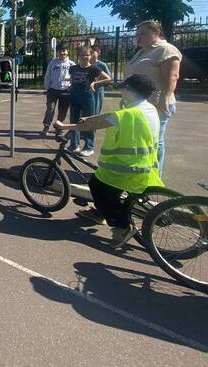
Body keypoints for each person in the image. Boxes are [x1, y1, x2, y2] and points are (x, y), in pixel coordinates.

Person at [55, 74, 163, 247]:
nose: (121, 91)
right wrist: (89, 119)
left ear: (130, 90)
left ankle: (122, 227)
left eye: (123, 88)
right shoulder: (148, 109)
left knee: (97, 185)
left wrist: (65, 126)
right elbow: (106, 117)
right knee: (110, 193)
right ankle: (103, 213)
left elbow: (94, 125)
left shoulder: (128, 114)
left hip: (126, 166)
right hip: (145, 163)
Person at [124, 20, 182, 175]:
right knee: (140, 140)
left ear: (156, 32)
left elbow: (173, 76)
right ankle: (141, 172)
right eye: (137, 34)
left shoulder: (165, 49)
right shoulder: (142, 52)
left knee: (154, 141)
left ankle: (154, 176)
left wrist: (164, 99)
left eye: (143, 33)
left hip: (156, 103)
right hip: (138, 103)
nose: (138, 37)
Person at [68, 46, 111, 156]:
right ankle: (74, 145)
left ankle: (89, 147)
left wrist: (94, 83)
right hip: (74, 97)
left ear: (91, 56)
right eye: (82, 55)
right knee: (74, 120)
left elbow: (108, 78)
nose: (84, 57)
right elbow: (73, 80)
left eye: (87, 55)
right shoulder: (73, 68)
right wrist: (71, 86)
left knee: (88, 121)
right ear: (78, 56)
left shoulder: (94, 68)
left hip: (87, 97)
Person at [42, 44, 75, 135]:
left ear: (67, 52)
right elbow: (47, 75)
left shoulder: (72, 64)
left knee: (63, 111)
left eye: (64, 51)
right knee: (50, 109)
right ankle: (46, 126)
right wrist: (47, 87)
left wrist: (71, 86)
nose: (62, 53)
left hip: (66, 91)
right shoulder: (53, 63)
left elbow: (75, 77)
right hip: (53, 90)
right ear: (57, 52)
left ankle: (59, 127)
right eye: (60, 51)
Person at [90, 46, 111, 115]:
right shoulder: (87, 64)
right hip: (87, 90)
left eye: (93, 52)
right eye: (90, 52)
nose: (91, 54)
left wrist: (96, 83)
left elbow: (108, 79)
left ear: (98, 53)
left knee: (96, 109)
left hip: (98, 90)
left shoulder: (102, 65)